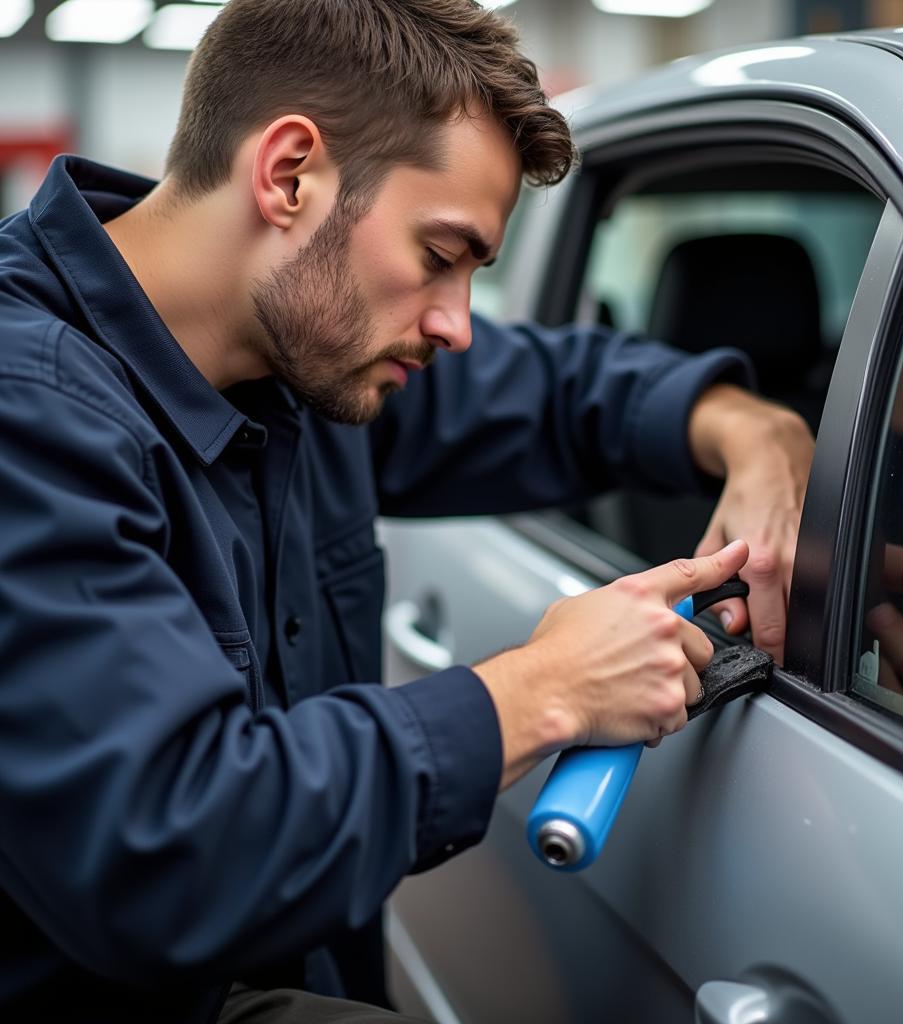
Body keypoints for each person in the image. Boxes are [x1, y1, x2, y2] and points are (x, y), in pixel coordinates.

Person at [0, 1, 817, 1021]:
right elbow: (162, 851)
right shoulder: (28, 412)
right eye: (440, 255)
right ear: (289, 173)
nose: (457, 325)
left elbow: (559, 391)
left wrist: (754, 433)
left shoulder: (301, 345)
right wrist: (543, 689)